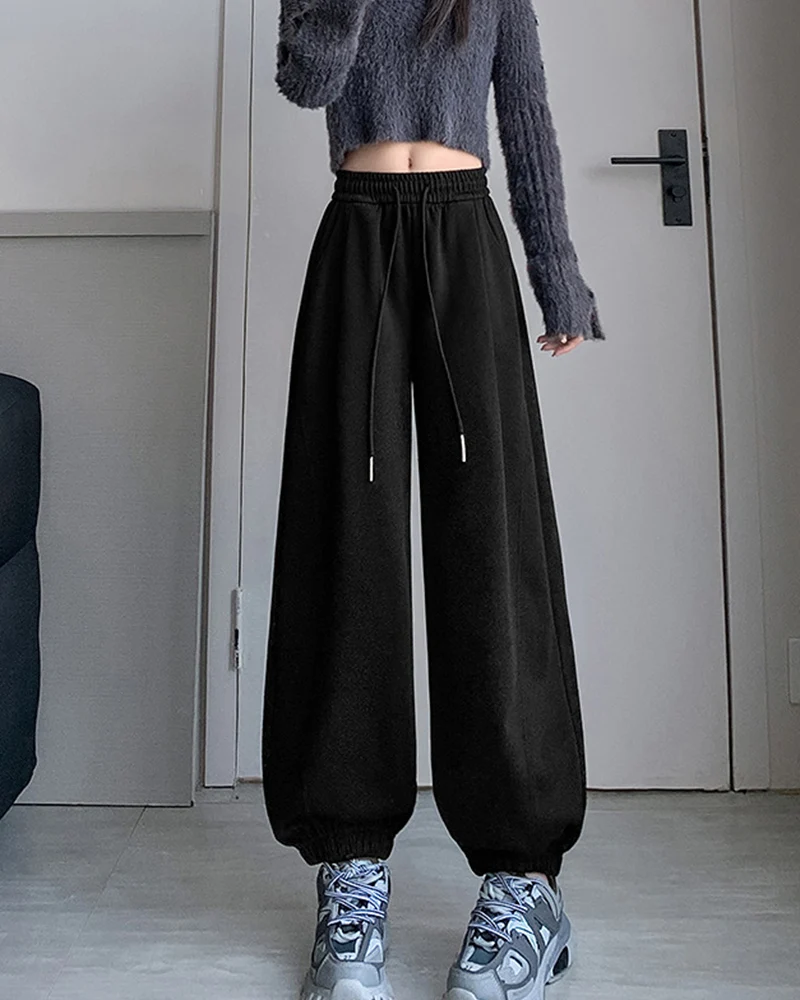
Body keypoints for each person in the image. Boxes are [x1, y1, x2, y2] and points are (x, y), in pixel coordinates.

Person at [262, 1, 605, 998]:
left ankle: (522, 881)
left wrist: (558, 277)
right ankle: (349, 869)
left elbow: (525, 122)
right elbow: (305, 84)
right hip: (356, 235)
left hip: (466, 236)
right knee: (347, 544)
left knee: (490, 548)